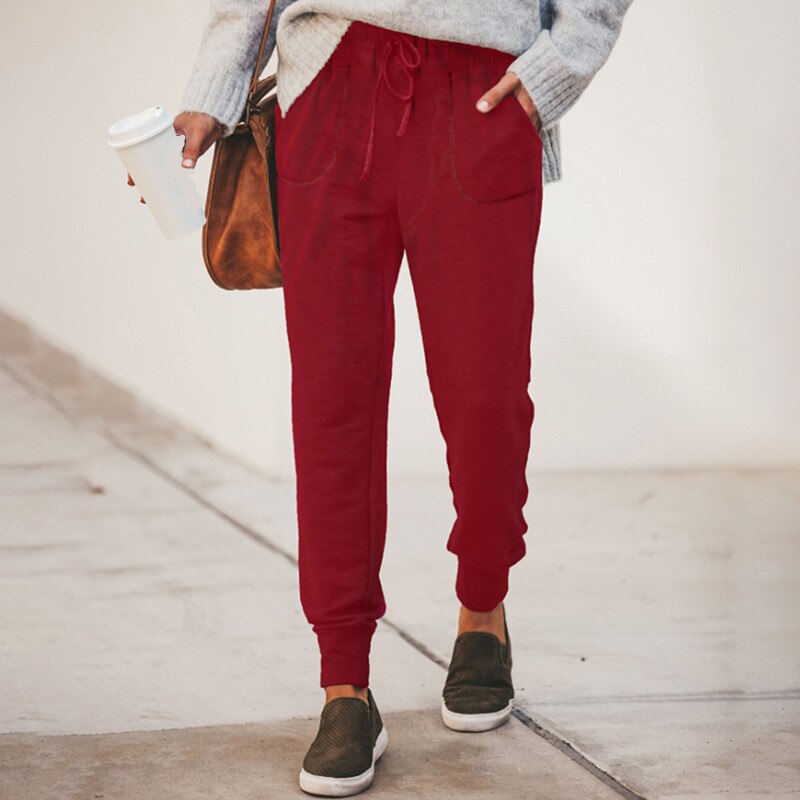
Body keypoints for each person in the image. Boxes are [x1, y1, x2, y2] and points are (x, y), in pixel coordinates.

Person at [133, 1, 634, 795]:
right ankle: (344, 684)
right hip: (329, 88)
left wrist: (557, 68)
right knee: (331, 404)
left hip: (481, 91)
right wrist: (215, 83)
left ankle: (483, 609)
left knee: (486, 396)